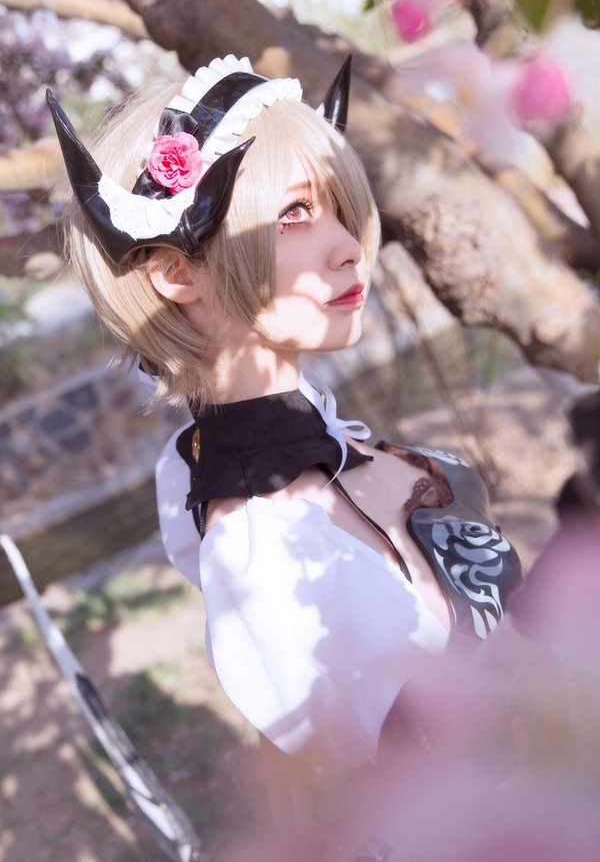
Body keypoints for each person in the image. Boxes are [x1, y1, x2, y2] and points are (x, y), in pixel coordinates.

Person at [48, 53, 523, 855]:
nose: (349, 247)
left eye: (340, 207)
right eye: (296, 213)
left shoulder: (326, 447)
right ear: (176, 272)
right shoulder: (259, 549)